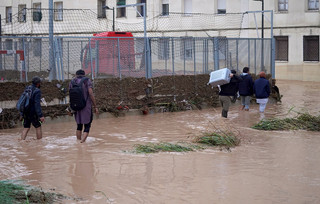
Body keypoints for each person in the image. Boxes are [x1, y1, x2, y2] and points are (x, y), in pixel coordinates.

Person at [69, 70, 99, 143]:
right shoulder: (87, 81)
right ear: (84, 74)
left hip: (76, 106)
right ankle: (82, 142)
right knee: (87, 125)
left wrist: (71, 107)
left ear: (76, 74)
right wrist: (95, 106)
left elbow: (70, 95)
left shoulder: (72, 82)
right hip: (86, 106)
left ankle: (78, 142)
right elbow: (91, 93)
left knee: (79, 125)